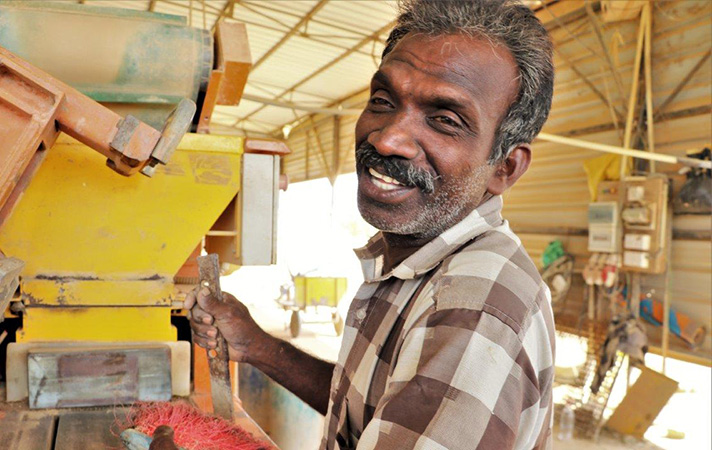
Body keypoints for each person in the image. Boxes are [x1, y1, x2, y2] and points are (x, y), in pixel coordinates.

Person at [185, 0, 556, 448]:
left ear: (505, 168)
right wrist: (257, 346)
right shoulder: (418, 258)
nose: (387, 138)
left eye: (445, 120)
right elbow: (378, 409)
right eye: (383, 101)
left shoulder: (474, 301)